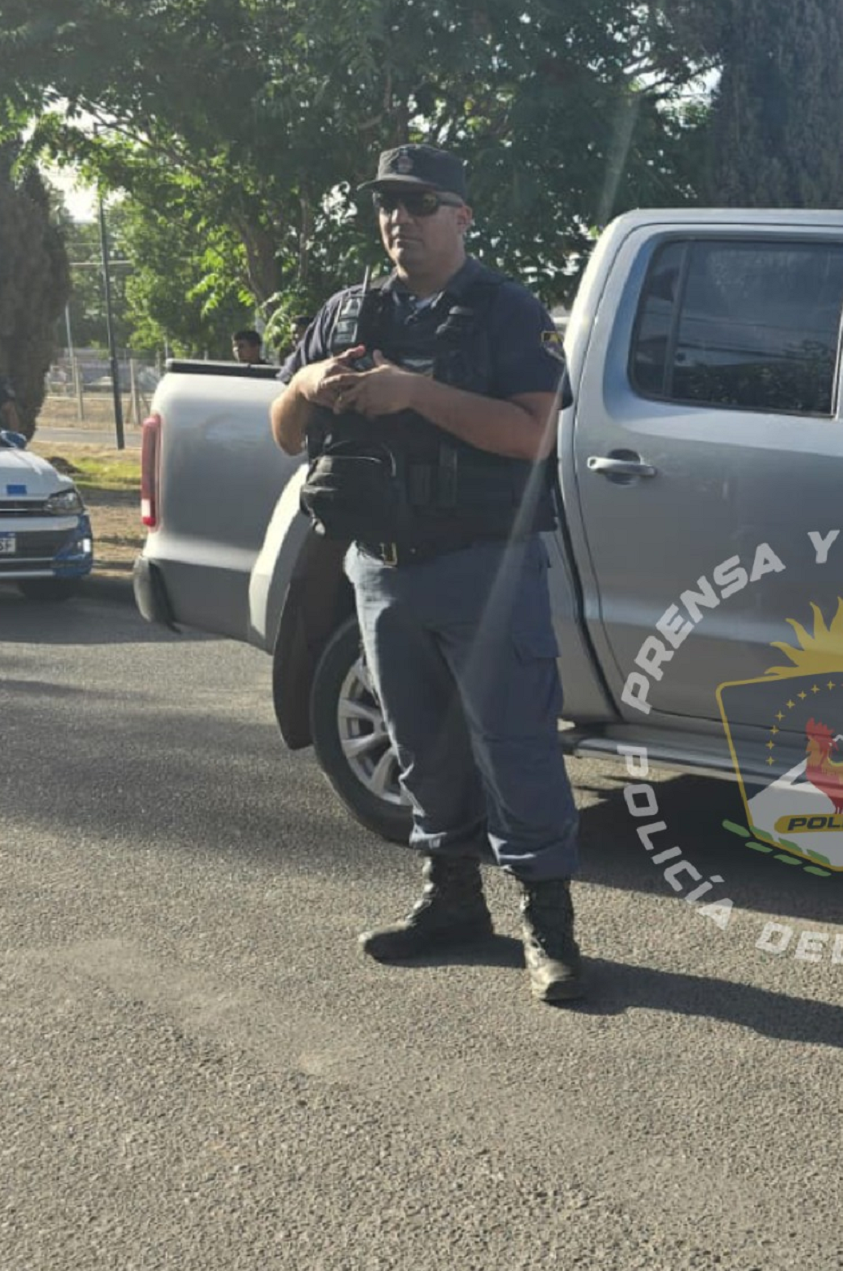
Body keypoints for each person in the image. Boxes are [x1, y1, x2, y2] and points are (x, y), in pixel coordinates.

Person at [269, 143, 585, 1004]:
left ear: (461, 216)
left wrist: (413, 393)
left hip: (484, 564)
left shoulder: (504, 313)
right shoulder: (345, 312)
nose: (397, 219)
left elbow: (533, 434)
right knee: (419, 746)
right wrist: (304, 381)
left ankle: (548, 923)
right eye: (385, 205)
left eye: (418, 203)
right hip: (381, 571)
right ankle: (452, 903)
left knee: (515, 743)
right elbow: (285, 431)